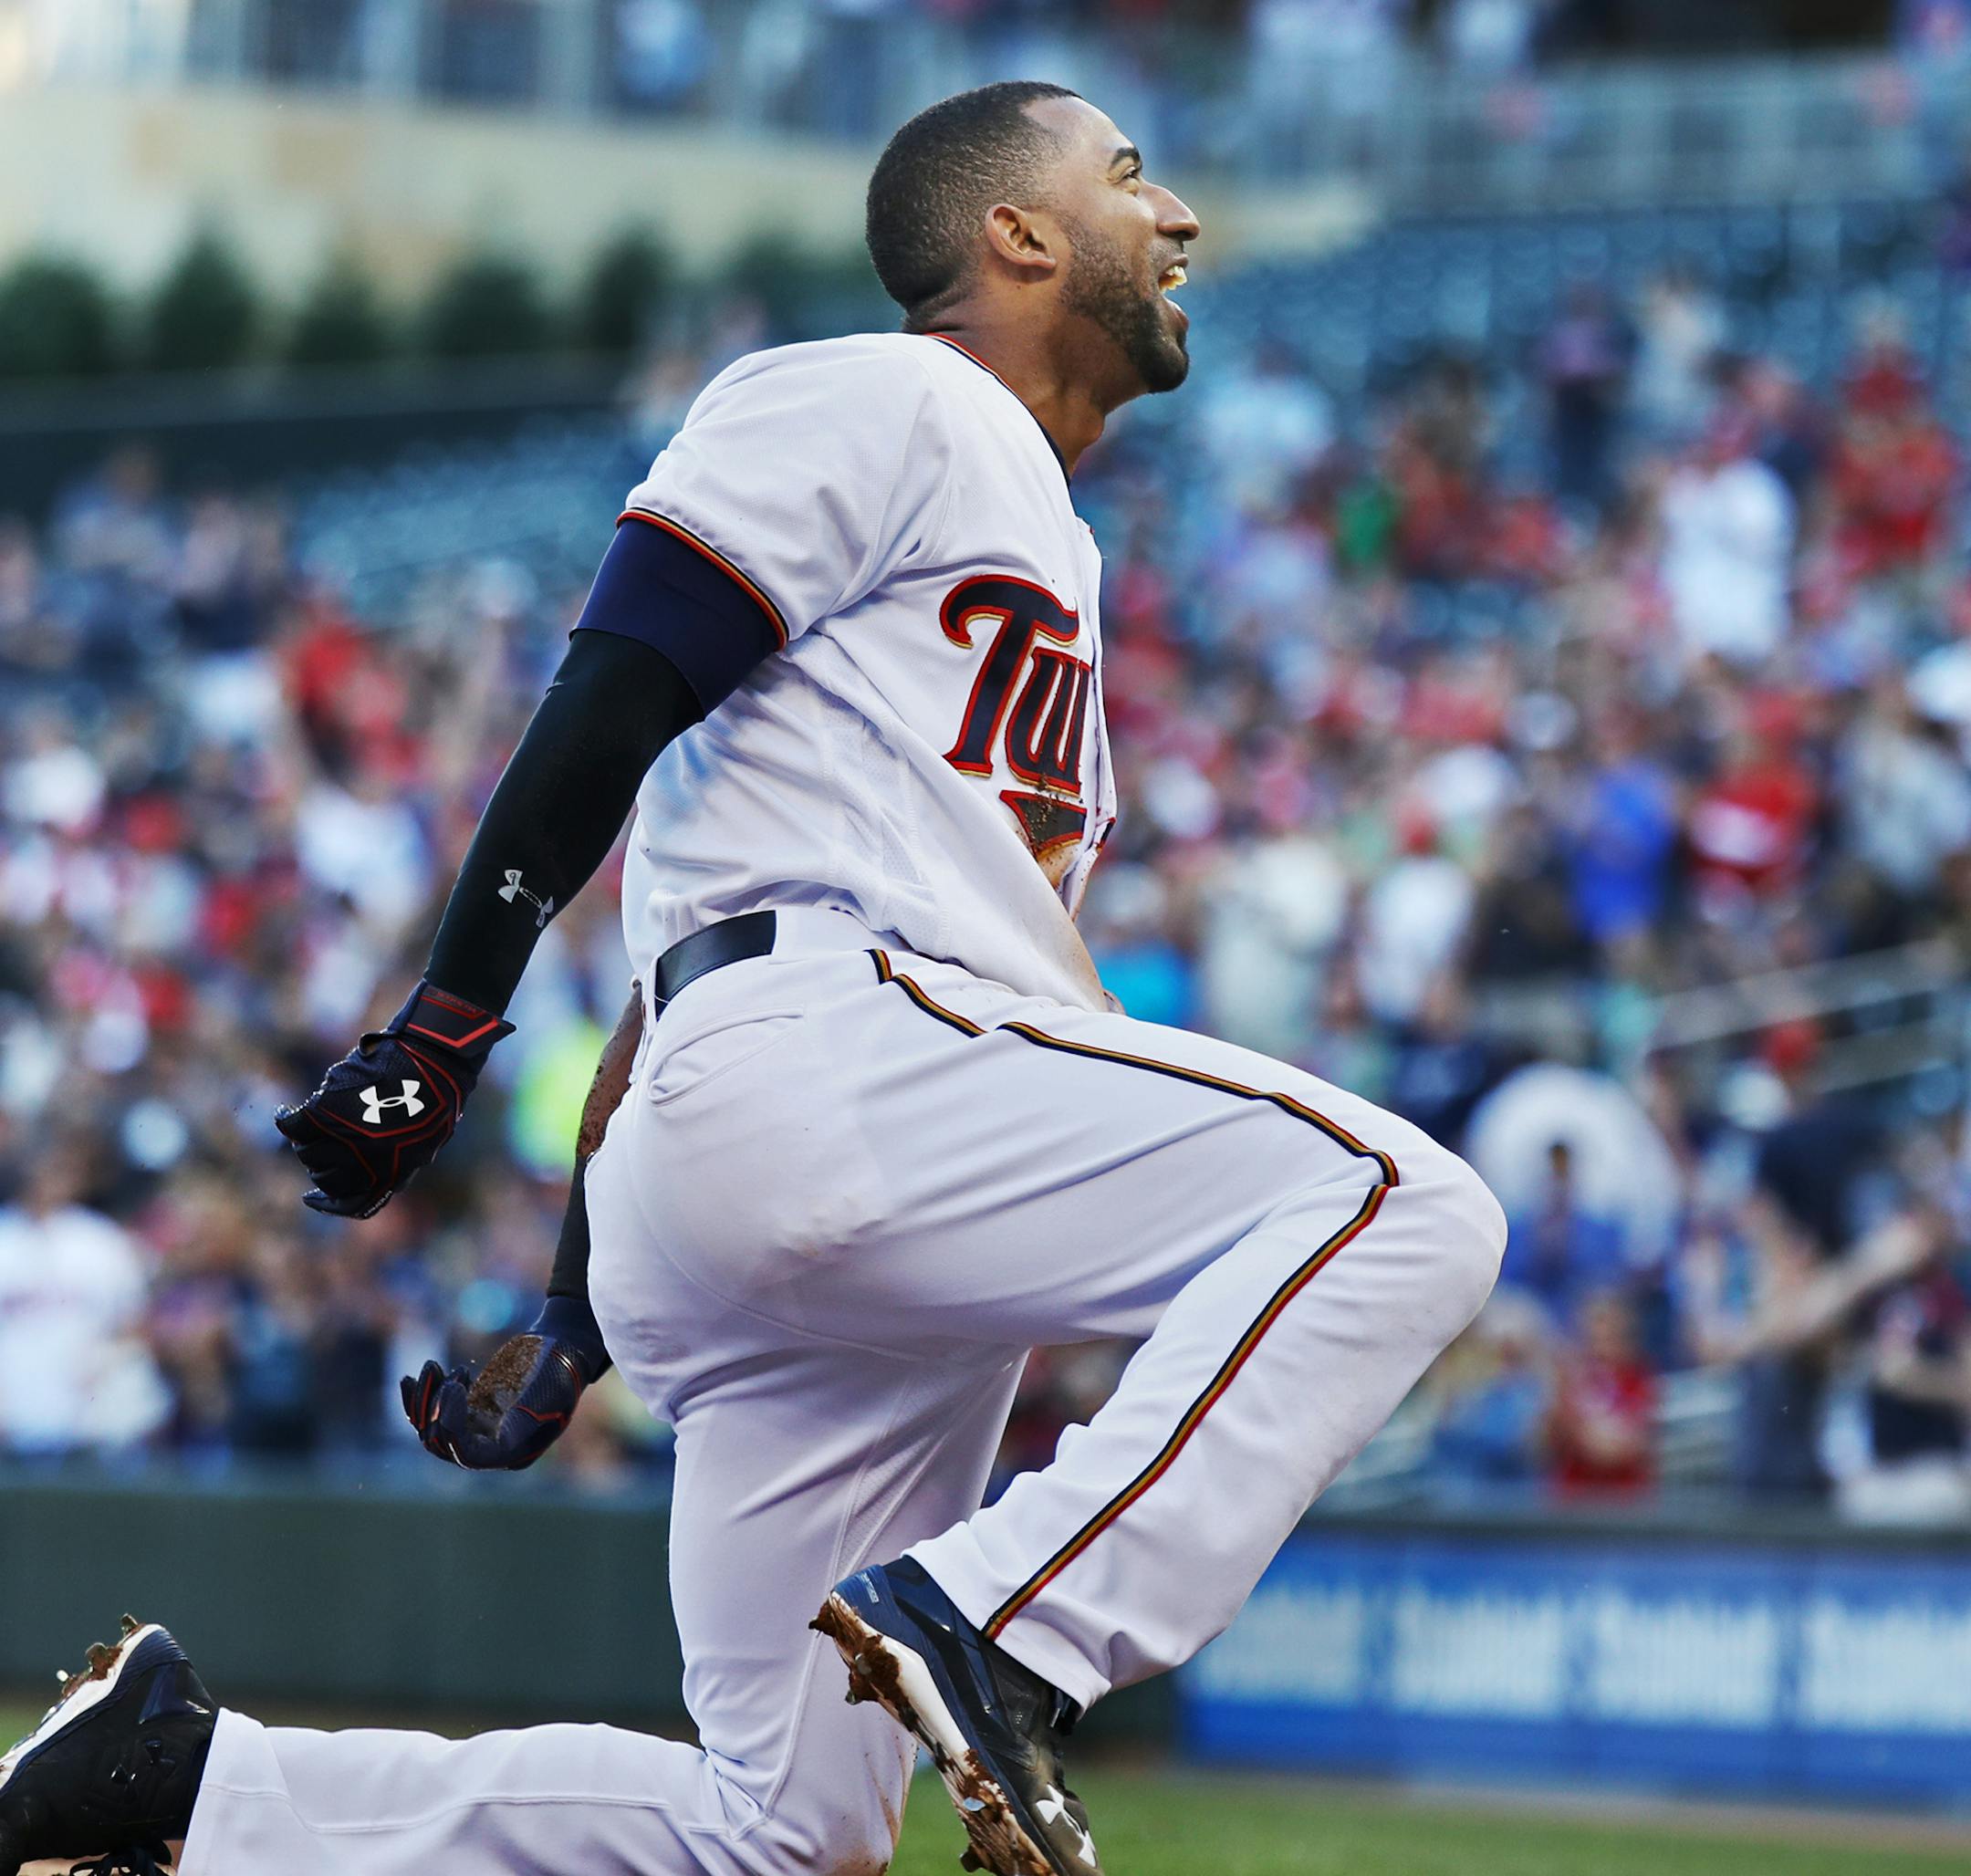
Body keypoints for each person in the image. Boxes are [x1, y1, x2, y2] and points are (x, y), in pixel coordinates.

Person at [0, 83, 1505, 1876]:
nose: (1175, 217)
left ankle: (191, 1787)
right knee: (1403, 1202)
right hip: (844, 1068)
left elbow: (705, 922)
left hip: (800, 1129)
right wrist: (448, 1017)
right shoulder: (884, 391)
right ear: (1013, 235)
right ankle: (1008, 1625)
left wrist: (570, 1309)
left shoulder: (1031, 535)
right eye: (1124, 177)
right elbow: (614, 685)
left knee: (780, 1831)